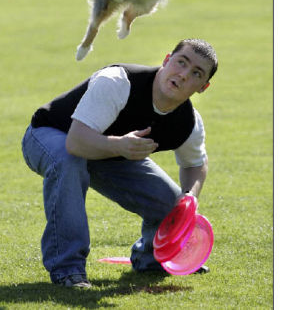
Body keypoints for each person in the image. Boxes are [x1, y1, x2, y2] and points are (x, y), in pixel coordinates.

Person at [21, 38, 218, 288]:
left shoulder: (188, 123)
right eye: (181, 62)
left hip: (111, 152)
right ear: (167, 60)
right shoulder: (117, 81)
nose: (183, 75)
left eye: (196, 73)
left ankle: (153, 259)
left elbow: (195, 164)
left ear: (203, 87)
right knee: (69, 162)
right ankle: (67, 269)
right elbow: (76, 143)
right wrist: (118, 146)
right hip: (51, 135)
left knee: (171, 202)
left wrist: (190, 196)